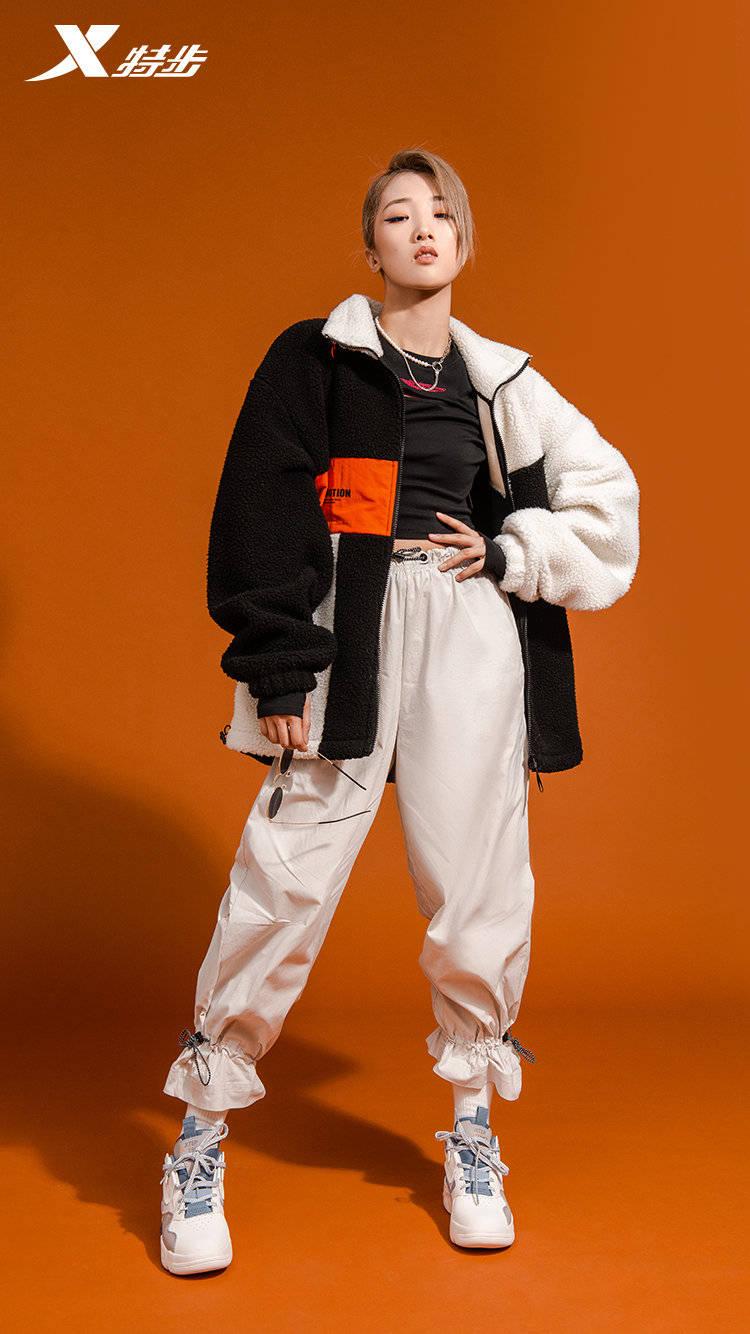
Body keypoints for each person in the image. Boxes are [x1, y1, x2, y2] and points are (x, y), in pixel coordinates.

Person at [158, 148, 640, 1273]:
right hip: (352, 627)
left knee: (480, 882)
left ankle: (472, 1129)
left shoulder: (502, 383)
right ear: (369, 244)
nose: (423, 229)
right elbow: (260, 504)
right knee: (286, 875)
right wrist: (281, 667)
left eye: (441, 215)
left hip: (469, 630)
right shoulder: (320, 355)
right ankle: (199, 1136)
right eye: (397, 215)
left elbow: (608, 500)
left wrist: (513, 551)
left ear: (463, 241)